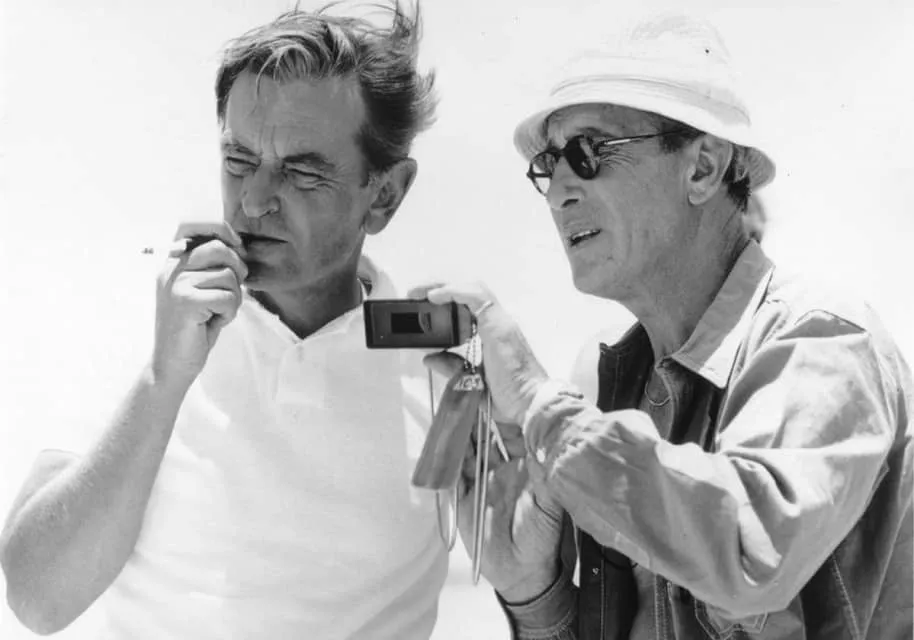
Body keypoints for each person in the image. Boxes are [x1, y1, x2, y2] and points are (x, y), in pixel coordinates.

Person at [415, 14, 913, 640]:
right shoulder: (619, 394)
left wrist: (538, 402)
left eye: (588, 152)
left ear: (703, 167)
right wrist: (533, 592)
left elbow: (750, 548)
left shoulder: (822, 342)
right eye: (548, 163)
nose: (558, 191)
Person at [0, 3, 448, 639]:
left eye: (302, 171)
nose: (254, 201)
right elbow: (36, 600)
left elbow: (527, 580)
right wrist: (164, 379)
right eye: (239, 160)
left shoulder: (445, 365)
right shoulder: (145, 323)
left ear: (386, 194)